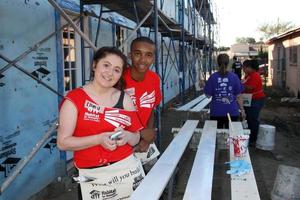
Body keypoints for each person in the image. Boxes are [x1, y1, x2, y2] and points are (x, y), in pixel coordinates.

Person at [57, 47, 145, 200]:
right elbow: (63, 143)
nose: (110, 73)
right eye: (106, 65)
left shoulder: (124, 99)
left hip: (127, 171)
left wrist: (127, 135)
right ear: (94, 65)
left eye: (117, 70)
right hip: (93, 178)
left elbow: (136, 137)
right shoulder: (75, 99)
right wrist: (99, 139)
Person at [124, 37, 162, 169]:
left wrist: (147, 136)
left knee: (153, 180)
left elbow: (150, 108)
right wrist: (138, 136)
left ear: (153, 58)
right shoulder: (119, 80)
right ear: (130, 55)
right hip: (123, 143)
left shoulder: (154, 79)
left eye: (148, 55)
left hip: (145, 140)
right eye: (137, 54)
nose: (142, 60)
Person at [204, 53, 245, 128]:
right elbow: (239, 96)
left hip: (216, 112)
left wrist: (204, 85)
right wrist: (242, 110)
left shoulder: (213, 77)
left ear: (217, 63)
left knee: (216, 136)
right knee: (231, 136)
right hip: (232, 112)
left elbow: (208, 96)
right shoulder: (234, 77)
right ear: (228, 63)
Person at [242, 59, 266, 145]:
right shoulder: (248, 75)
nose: (243, 69)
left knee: (253, 120)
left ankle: (253, 140)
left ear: (249, 67)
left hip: (257, 100)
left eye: (244, 68)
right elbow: (245, 84)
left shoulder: (255, 75)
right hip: (250, 100)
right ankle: (249, 137)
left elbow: (250, 87)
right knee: (249, 118)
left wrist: (239, 85)